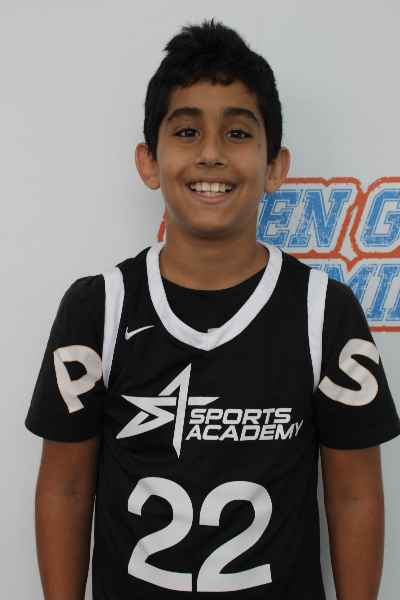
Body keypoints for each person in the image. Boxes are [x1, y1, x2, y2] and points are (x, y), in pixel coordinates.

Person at [26, 19, 400, 600]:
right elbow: (66, 489)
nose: (210, 154)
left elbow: (353, 495)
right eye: (186, 131)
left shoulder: (324, 312)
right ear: (149, 162)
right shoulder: (98, 308)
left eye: (238, 133)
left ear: (275, 167)